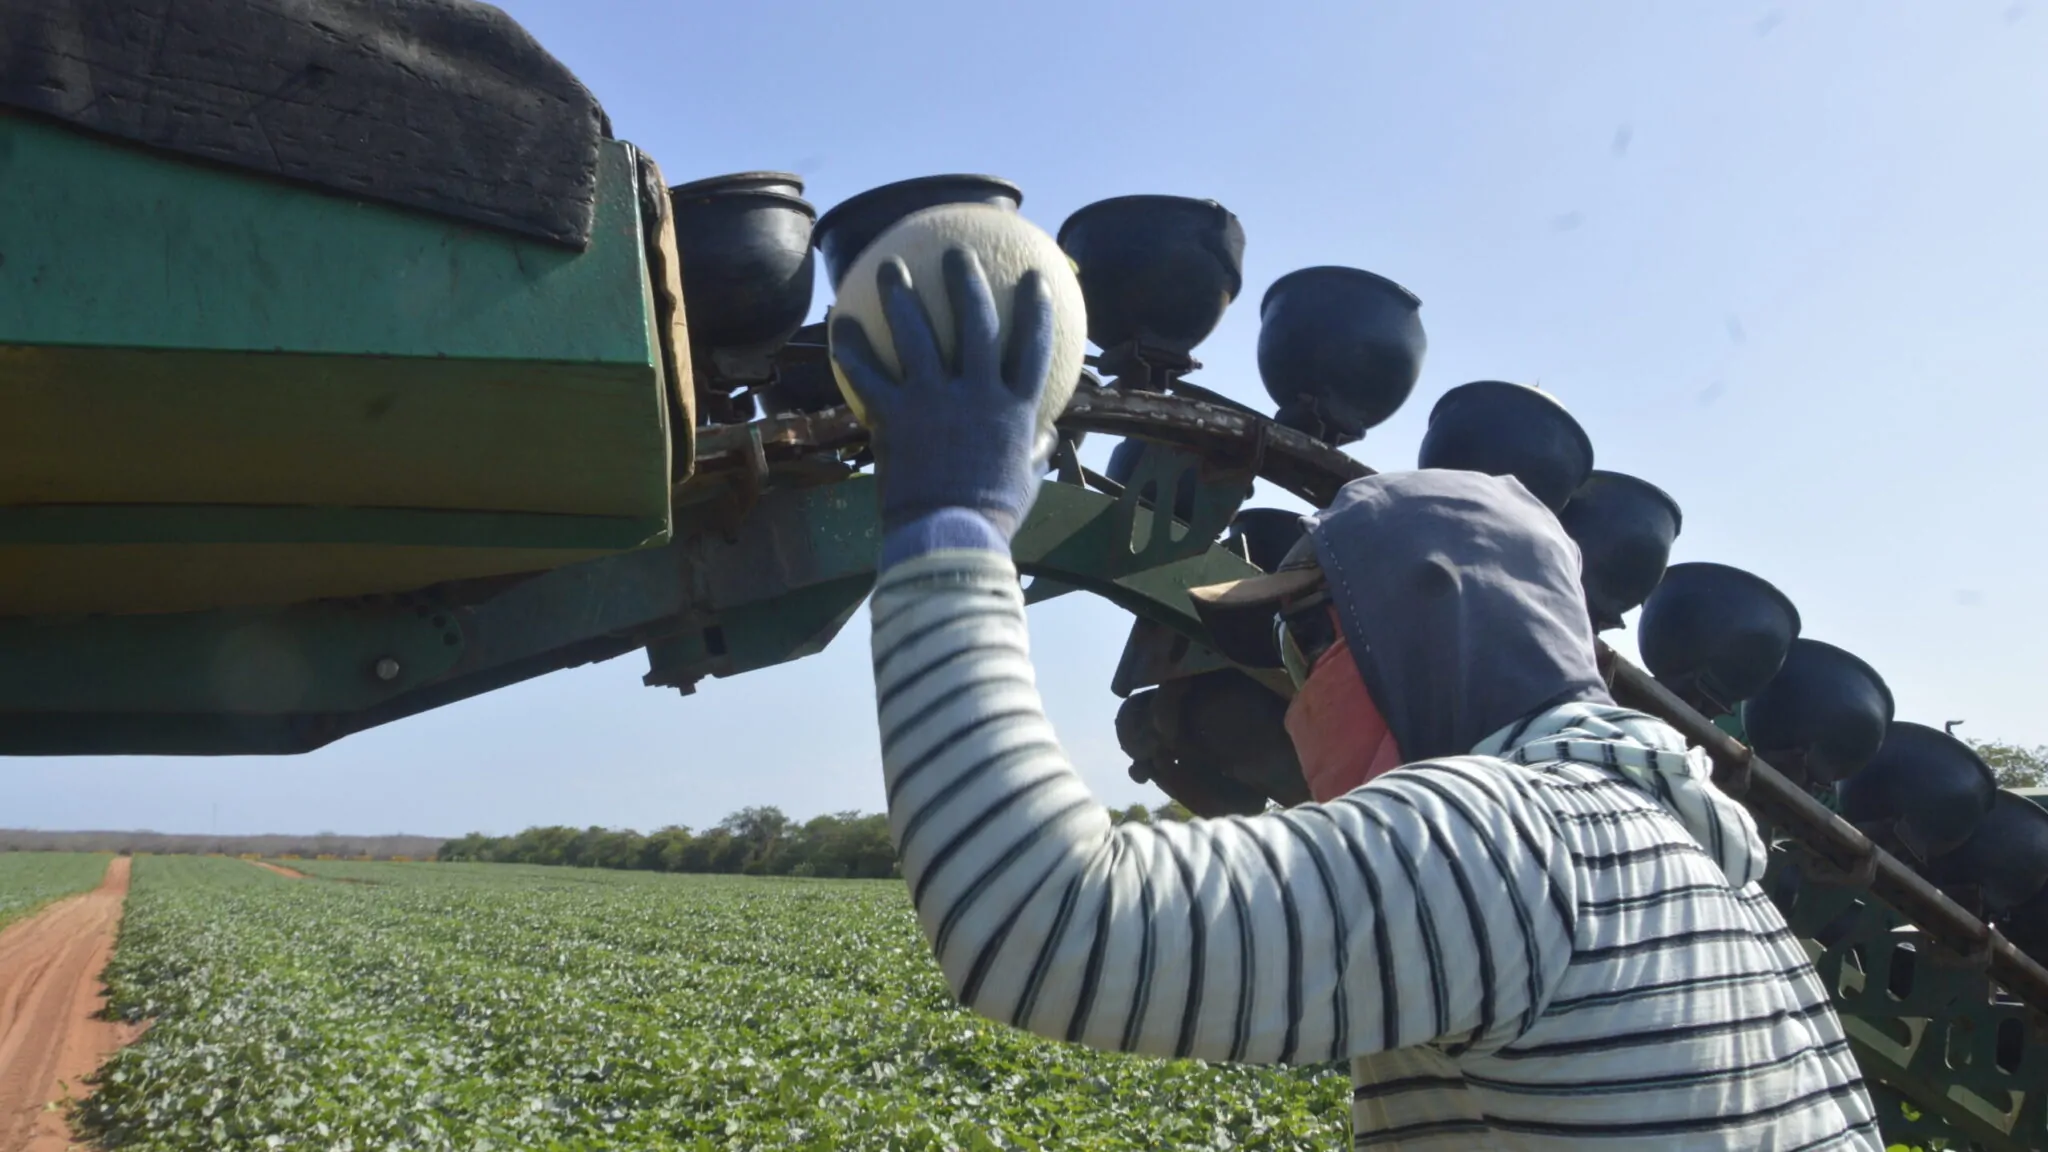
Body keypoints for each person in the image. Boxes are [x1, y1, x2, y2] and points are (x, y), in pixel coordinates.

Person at [830, 247, 1883, 1150]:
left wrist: (949, 520)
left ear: (1422, 633)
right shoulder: (1691, 857)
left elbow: (1042, 922)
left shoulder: (1514, 844)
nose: (1292, 701)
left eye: (1303, 643)